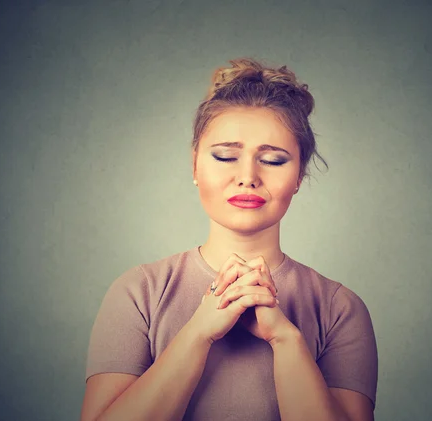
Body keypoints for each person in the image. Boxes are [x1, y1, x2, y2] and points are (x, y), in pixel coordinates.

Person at [79, 57, 378, 421]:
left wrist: (286, 339)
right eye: (225, 156)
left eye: (273, 160)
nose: (247, 176)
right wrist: (199, 333)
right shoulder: (139, 292)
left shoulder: (339, 308)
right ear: (194, 165)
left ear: (299, 175)